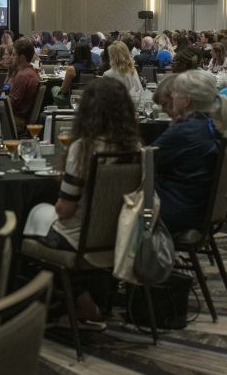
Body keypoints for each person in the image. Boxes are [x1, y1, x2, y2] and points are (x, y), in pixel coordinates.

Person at [24, 77, 141, 322]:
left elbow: (66, 209)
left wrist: (53, 208)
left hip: (79, 241)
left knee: (32, 216)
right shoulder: (137, 150)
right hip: (122, 237)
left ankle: (70, 298)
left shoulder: (84, 149)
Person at [154, 70, 227, 234]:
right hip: (198, 205)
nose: (172, 95)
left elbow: (145, 160)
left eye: (175, 92)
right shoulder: (210, 124)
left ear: (186, 100)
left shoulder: (184, 131)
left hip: (178, 211)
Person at [7, 38, 40, 133]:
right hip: (24, 118)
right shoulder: (32, 72)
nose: (11, 57)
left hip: (16, 120)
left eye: (13, 54)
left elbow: (11, 103)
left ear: (21, 57)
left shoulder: (22, 76)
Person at [51, 42, 94, 107]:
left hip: (72, 98)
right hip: (89, 98)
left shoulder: (71, 69)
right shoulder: (93, 67)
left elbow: (64, 90)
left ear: (76, 52)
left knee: (54, 88)